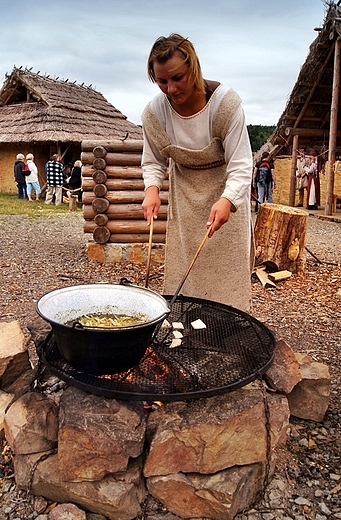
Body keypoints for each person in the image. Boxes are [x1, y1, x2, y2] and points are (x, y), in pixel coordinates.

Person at [141, 34, 253, 313]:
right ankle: (185, 323)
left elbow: (241, 164)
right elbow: (153, 160)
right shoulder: (156, 113)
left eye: (177, 78)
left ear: (194, 68)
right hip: (185, 200)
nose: (171, 88)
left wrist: (227, 200)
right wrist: (152, 189)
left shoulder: (225, 105)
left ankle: (230, 322)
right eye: (162, 81)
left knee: (226, 272)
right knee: (185, 270)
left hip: (225, 194)